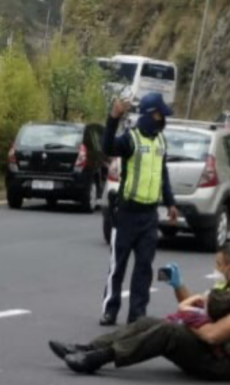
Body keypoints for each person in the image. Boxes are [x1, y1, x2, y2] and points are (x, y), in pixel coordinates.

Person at [49, 242, 230, 382]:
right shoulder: (227, 285)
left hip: (224, 364)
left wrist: (184, 317)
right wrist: (178, 285)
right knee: (147, 322)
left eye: (218, 265)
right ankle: (87, 348)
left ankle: (97, 359)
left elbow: (212, 335)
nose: (216, 269)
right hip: (211, 350)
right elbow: (197, 311)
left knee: (168, 330)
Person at [100, 93, 180, 326]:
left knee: (144, 267)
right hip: (126, 213)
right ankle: (110, 310)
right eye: (159, 115)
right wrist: (112, 119)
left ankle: (137, 314)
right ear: (148, 115)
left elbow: (163, 176)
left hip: (149, 215)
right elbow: (108, 147)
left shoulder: (161, 142)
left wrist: (171, 202)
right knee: (118, 265)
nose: (163, 119)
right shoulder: (130, 139)